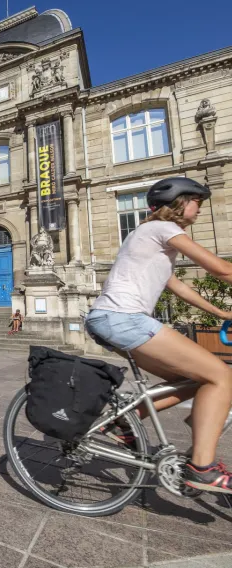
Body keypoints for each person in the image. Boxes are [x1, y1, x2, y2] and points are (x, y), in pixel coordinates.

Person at [85, 177, 232, 493]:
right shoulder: (163, 229)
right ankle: (202, 469)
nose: (199, 209)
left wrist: (222, 314)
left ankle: (120, 421)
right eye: (197, 202)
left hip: (112, 320)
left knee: (194, 379)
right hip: (124, 319)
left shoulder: (148, 236)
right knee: (220, 375)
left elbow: (177, 286)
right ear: (181, 202)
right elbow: (223, 270)